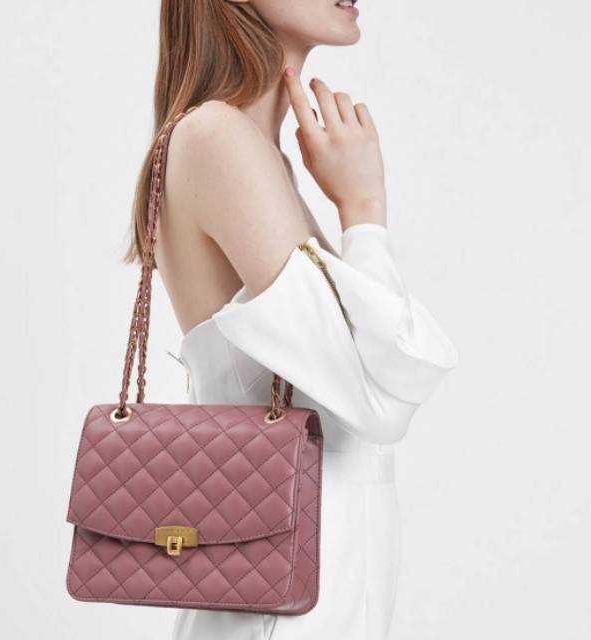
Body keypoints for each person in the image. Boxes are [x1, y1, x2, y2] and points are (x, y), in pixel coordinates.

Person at [123, 2, 459, 638]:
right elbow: (378, 401)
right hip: (279, 610)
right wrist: (364, 209)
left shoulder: (258, 155)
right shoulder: (216, 138)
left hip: (302, 599)